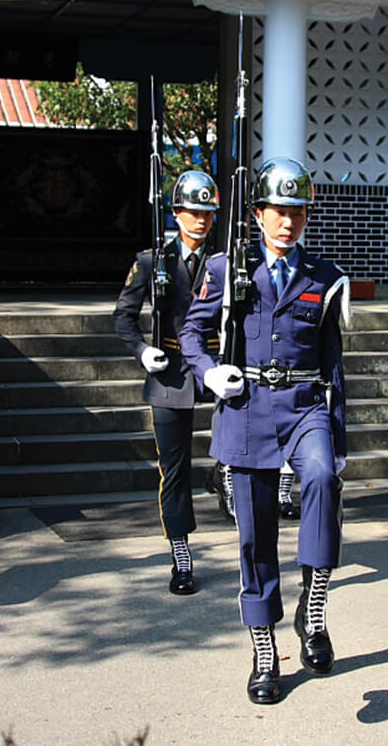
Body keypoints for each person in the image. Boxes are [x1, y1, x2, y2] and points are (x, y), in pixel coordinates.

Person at [180, 157, 348, 705]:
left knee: (322, 477)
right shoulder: (227, 268)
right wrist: (209, 372)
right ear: (256, 213)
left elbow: (333, 363)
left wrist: (339, 436)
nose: (288, 223)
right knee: (256, 540)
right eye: (278, 211)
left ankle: (314, 606)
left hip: (304, 405)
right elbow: (191, 332)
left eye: (297, 212)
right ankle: (264, 650)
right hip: (247, 406)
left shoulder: (324, 277)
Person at [115, 170, 225, 595]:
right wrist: (143, 351)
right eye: (193, 212)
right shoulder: (151, 261)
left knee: (237, 449)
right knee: (174, 469)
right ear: (177, 214)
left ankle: (222, 477)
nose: (200, 220)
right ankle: (181, 554)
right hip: (171, 369)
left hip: (216, 365)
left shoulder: (225, 261)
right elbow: (123, 317)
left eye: (207, 213)